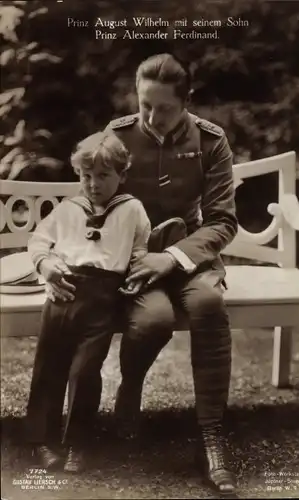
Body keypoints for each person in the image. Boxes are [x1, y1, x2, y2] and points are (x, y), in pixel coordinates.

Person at [48, 53, 238, 495]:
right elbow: (91, 200)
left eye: (165, 108)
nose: (152, 117)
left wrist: (171, 257)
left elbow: (223, 221)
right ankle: (130, 387)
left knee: (209, 304)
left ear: (186, 101)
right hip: (130, 256)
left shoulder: (211, 141)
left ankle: (212, 437)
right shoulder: (117, 135)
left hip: (188, 254)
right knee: (153, 321)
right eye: (144, 104)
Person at [26, 134, 151, 473]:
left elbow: (140, 247)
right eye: (86, 176)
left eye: (103, 176)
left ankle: (77, 443)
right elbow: (38, 241)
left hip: (103, 298)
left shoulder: (132, 209)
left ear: (122, 175)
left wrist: (137, 268)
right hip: (63, 291)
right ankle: (42, 441)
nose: (93, 184)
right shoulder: (68, 209)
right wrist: (46, 266)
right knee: (49, 367)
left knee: (85, 371)